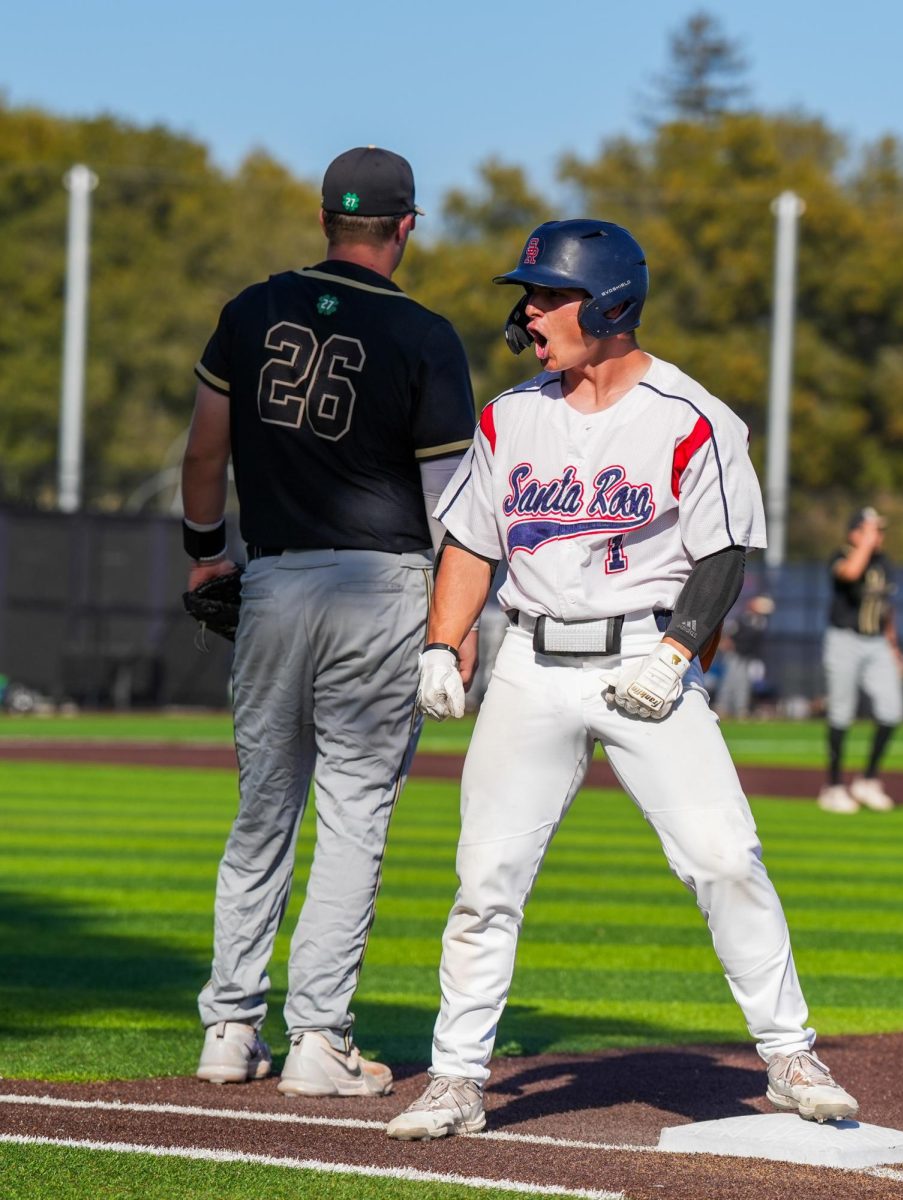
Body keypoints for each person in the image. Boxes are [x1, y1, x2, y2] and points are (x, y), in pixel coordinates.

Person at [384, 219, 858, 1140]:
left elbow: (724, 554)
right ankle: (455, 1077)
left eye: (546, 294)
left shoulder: (692, 418)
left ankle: (790, 1051)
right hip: (526, 661)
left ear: (607, 305)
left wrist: (677, 651)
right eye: (529, 295)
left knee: (723, 856)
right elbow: (472, 541)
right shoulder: (510, 415)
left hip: (646, 654)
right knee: (485, 878)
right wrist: (442, 644)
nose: (526, 311)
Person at [181, 146, 476, 1096]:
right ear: (406, 227)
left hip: (272, 582)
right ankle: (318, 1040)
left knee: (262, 812)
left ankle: (229, 1028)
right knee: (352, 815)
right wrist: (454, 622)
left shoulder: (249, 309)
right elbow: (449, 502)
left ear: (322, 221)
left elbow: (205, 449)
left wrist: (203, 551)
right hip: (382, 589)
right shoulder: (426, 335)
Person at [817, 507, 903, 814]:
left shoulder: (884, 563)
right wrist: (864, 545)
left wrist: (894, 648)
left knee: (892, 710)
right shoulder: (842, 554)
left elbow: (885, 607)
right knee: (841, 713)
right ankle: (833, 786)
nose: (878, 536)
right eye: (871, 530)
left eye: (879, 531)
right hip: (844, 640)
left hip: (877, 642)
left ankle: (867, 780)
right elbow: (850, 573)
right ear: (854, 532)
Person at [714, 593, 775, 719]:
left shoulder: (761, 622)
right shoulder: (742, 618)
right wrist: (726, 645)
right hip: (735, 654)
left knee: (744, 683)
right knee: (729, 681)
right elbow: (728, 634)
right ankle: (723, 707)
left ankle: (741, 708)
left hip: (748, 656)